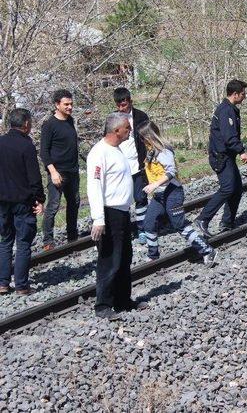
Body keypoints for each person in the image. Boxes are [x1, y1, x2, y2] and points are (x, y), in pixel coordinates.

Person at [87, 112, 144, 319]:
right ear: (116, 130)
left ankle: (123, 300)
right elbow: (94, 186)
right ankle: (103, 305)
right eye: (127, 128)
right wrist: (98, 219)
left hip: (121, 212)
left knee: (124, 258)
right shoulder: (99, 153)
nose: (130, 132)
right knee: (109, 260)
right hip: (109, 213)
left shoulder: (117, 149)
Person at [137, 121, 217, 265]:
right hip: (159, 195)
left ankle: (207, 250)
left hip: (172, 193)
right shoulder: (150, 151)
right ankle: (153, 255)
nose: (141, 141)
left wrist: (154, 184)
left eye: (142, 138)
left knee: (179, 224)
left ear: (149, 137)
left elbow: (171, 172)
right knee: (148, 223)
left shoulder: (163, 151)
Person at [195, 79, 247, 238]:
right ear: (235, 94)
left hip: (226, 155)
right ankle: (203, 219)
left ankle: (227, 223)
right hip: (221, 156)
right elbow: (229, 136)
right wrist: (241, 151)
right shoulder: (226, 111)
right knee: (227, 188)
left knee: (236, 189)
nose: (244, 97)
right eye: (243, 94)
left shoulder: (229, 109)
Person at [0, 108, 45, 295]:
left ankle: (2, 283)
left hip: (2, 201)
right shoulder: (26, 146)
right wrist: (39, 199)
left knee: (5, 241)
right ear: (26, 123)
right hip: (23, 202)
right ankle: (21, 285)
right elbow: (34, 177)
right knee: (24, 242)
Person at [40, 89, 80, 250]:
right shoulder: (49, 125)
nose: (70, 107)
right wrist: (53, 172)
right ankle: (48, 241)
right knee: (53, 206)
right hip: (58, 172)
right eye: (66, 104)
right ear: (57, 105)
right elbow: (44, 151)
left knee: (74, 203)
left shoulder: (70, 121)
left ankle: (73, 237)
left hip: (73, 171)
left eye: (71, 104)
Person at [112, 87, 150, 244]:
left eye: (125, 104)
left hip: (138, 164)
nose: (122, 108)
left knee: (140, 197)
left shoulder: (141, 116)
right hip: (120, 167)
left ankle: (143, 228)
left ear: (130, 101)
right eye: (119, 105)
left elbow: (149, 138)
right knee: (123, 201)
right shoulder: (112, 119)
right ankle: (124, 231)